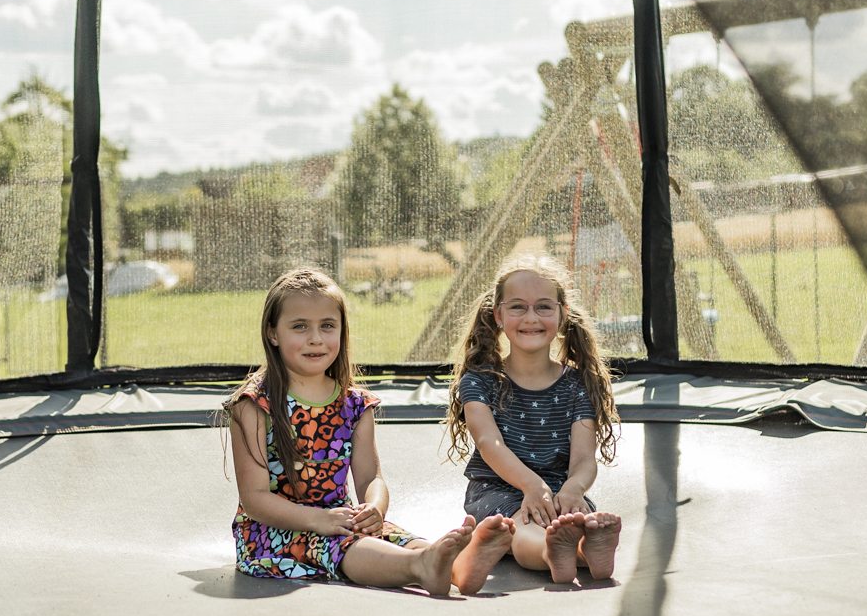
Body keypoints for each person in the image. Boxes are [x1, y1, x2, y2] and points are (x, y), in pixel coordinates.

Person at [227, 267, 510, 596]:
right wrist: (318, 521)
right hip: (269, 536)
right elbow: (255, 499)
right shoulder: (254, 405)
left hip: (338, 520)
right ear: (273, 333)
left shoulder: (355, 404)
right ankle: (419, 567)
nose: (316, 338)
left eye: (327, 326)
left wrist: (375, 508)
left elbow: (370, 478)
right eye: (300, 326)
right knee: (344, 545)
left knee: (391, 535)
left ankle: (459, 567)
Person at [445, 255, 624, 589]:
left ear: (562, 314)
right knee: (522, 528)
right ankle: (549, 552)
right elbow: (488, 443)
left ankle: (587, 551)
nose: (531, 318)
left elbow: (584, 459)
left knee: (576, 523)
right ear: (498, 315)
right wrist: (530, 485)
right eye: (517, 307)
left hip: (559, 490)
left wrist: (574, 489)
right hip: (497, 488)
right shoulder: (480, 381)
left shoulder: (578, 384)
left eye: (543, 307)